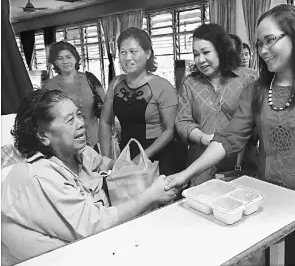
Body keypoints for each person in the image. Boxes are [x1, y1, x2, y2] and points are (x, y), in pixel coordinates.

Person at [166, 4, 295, 266]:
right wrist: (184, 175)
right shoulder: (256, 91)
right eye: (259, 44)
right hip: (272, 204)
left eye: (270, 41)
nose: (263, 51)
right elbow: (228, 139)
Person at [1, 89, 177, 266]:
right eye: (70, 120)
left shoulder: (79, 153)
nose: (81, 124)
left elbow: (105, 164)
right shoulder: (39, 176)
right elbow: (94, 224)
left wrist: (134, 171)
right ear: (42, 135)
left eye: (79, 115)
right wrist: (151, 195)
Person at [175, 24, 258, 186]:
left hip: (241, 163)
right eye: (195, 54)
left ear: (221, 50)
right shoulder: (190, 83)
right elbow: (182, 121)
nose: (200, 60)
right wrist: (203, 138)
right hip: (202, 164)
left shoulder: (248, 78)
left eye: (206, 52)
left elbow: (258, 119)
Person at [99, 27, 179, 176]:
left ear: (148, 53)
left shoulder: (163, 86)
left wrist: (140, 158)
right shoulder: (116, 84)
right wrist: (105, 159)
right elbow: (105, 122)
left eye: (133, 52)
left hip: (157, 154)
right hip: (127, 151)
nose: (128, 57)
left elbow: (169, 131)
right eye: (123, 52)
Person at [43, 41, 105, 148]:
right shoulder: (48, 86)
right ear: (54, 62)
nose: (65, 61)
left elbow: (106, 106)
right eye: (60, 58)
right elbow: (46, 116)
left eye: (68, 57)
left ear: (75, 59)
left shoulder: (89, 79)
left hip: (96, 139)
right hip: (67, 143)